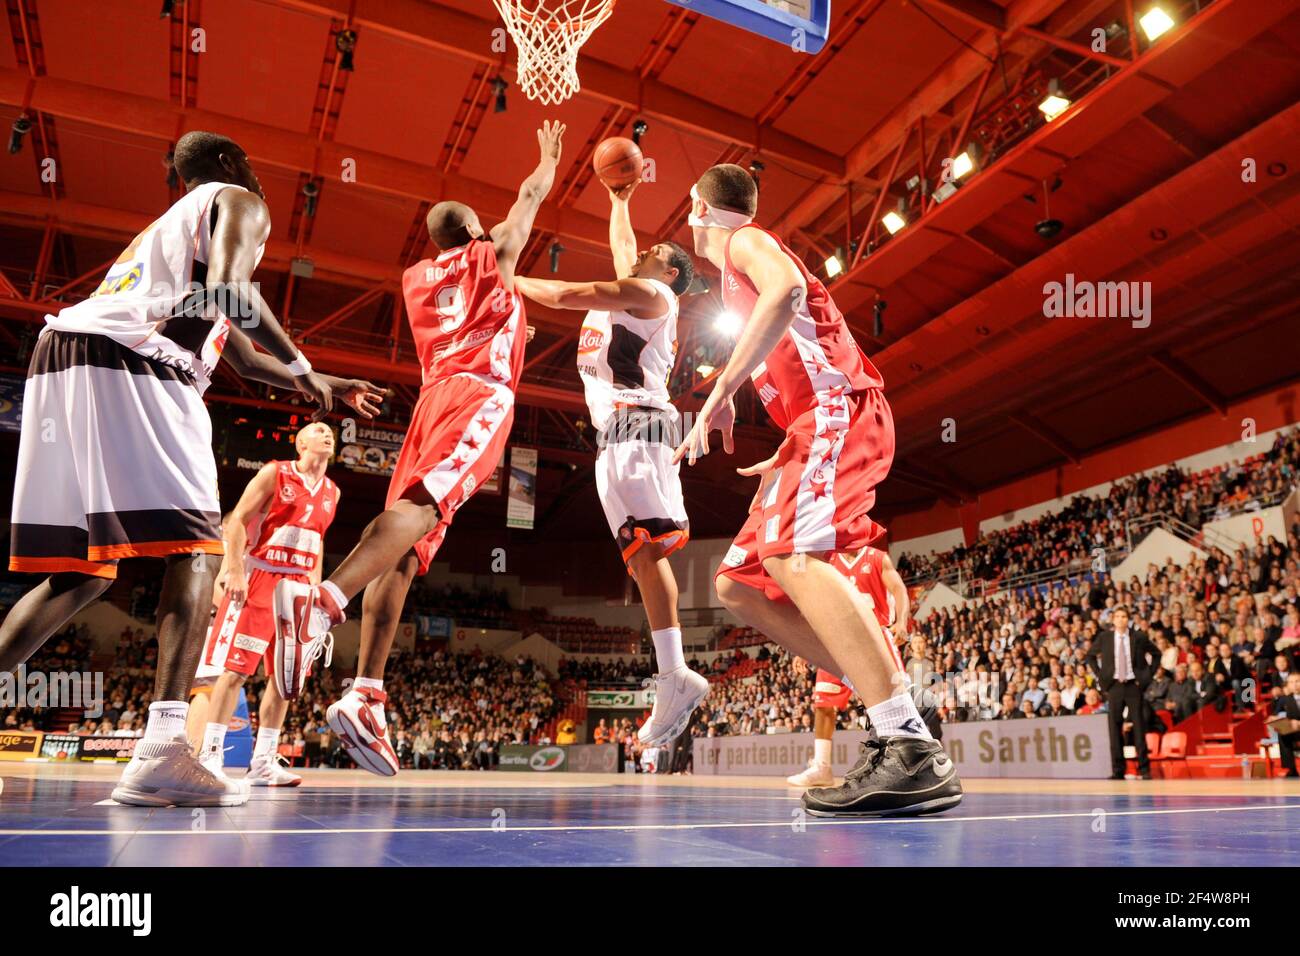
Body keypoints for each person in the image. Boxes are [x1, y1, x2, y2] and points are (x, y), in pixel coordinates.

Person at [1, 130, 379, 807]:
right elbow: (236, 295)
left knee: (82, 573)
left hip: (66, 355)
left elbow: (239, 349)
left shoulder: (177, 239)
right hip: (135, 364)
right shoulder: (237, 200)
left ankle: (161, 749)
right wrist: (301, 367)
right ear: (234, 165)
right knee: (198, 547)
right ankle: (161, 750)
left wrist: (317, 377)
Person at [273, 121, 567, 776]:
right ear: (474, 231)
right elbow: (524, 208)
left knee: (403, 550)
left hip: (430, 399)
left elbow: (484, 291)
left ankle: (365, 694)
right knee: (425, 513)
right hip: (478, 394)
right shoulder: (490, 255)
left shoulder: (415, 278)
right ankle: (321, 604)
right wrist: (545, 165)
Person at [674, 164, 961, 817]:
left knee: (791, 558)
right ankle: (892, 719)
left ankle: (910, 745)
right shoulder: (733, 274)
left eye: (690, 208)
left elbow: (781, 295)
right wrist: (786, 443)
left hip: (839, 411)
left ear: (699, 208)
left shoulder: (746, 243)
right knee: (738, 586)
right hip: (813, 424)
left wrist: (719, 394)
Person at [511, 177, 707, 746]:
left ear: (668, 274)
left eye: (652, 255)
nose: (640, 253)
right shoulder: (636, 292)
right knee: (640, 553)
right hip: (618, 434)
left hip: (637, 425)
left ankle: (675, 673)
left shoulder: (656, 296)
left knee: (647, 548)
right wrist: (619, 202)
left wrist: (508, 279)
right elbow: (624, 253)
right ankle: (673, 673)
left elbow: (571, 294)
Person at [196, 422, 354, 788]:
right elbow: (237, 520)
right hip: (262, 578)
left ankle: (264, 762)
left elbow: (316, 541)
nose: (328, 434)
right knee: (234, 672)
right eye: (318, 430)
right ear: (300, 443)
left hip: (299, 591)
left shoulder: (333, 491)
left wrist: (316, 588)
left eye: (331, 431)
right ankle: (211, 756)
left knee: (286, 681)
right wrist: (234, 569)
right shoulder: (276, 472)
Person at [786, 545, 909, 788]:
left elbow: (898, 588)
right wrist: (804, 646)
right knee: (823, 705)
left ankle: (904, 759)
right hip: (836, 639)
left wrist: (902, 621)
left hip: (874, 634)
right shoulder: (828, 562)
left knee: (896, 698)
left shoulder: (877, 558)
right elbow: (816, 604)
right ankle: (822, 767)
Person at [1087, 607, 1156, 780]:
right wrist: (1101, 675)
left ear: (1128, 619)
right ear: (1113, 620)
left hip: (1134, 685)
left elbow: (1156, 654)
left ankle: (1144, 769)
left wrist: (1146, 677)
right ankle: (1118, 770)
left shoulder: (1138, 637)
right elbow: (1090, 656)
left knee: (1139, 727)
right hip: (1114, 686)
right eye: (1117, 616)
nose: (1120, 619)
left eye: (1123, 616)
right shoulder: (1105, 637)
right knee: (1114, 728)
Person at [1272, 673, 1300, 778]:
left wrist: (1298, 723)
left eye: (1297, 681)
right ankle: (1291, 769)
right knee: (1282, 734)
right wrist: (1275, 720)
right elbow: (1275, 714)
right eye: (1291, 682)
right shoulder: (1286, 699)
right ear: (1288, 685)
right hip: (1293, 731)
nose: (1295, 685)